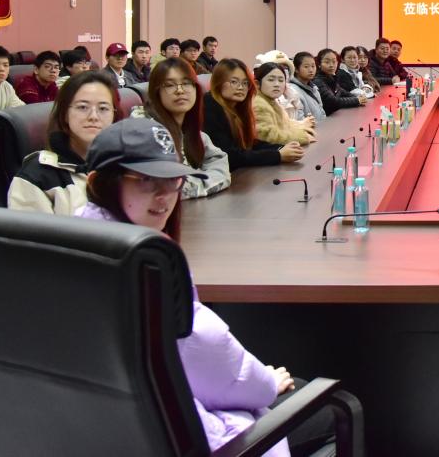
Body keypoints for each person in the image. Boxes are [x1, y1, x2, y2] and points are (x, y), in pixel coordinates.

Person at [75, 119, 336, 457]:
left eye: (172, 181)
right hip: (190, 439)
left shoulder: (71, 242)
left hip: (106, 433)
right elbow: (213, 360)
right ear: (100, 183)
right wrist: (267, 383)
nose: (164, 196)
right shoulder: (147, 265)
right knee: (336, 409)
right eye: (145, 181)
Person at [8, 70, 118, 214]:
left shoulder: (124, 166)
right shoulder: (36, 176)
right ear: (65, 113)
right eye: (82, 107)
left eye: (103, 108)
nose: (94, 116)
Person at [137, 57, 231, 199]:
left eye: (186, 83)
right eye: (170, 85)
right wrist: (208, 182)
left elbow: (219, 161)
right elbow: (172, 187)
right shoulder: (146, 131)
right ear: (156, 92)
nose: (180, 91)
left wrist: (200, 183)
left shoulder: (192, 131)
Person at [203, 58, 303, 170]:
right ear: (218, 82)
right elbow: (229, 155)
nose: (241, 87)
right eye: (234, 82)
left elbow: (251, 143)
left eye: (245, 83)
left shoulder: (237, 107)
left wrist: (281, 148)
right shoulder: (210, 105)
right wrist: (278, 155)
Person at [253, 61, 315, 147]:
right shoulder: (258, 104)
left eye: (281, 80)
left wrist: (302, 125)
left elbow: (285, 124)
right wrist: (302, 137)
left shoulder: (271, 101)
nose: (277, 84)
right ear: (257, 84)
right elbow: (268, 135)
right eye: (271, 80)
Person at [315, 48, 366, 114]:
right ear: (319, 64)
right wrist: (356, 100)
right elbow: (332, 101)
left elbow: (342, 92)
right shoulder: (318, 80)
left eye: (334, 62)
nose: (331, 65)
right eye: (327, 62)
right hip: (327, 118)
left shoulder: (332, 77)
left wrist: (358, 97)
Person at [290, 51, 327, 123]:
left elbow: (322, 112)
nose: (311, 70)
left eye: (313, 66)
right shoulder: (292, 90)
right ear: (296, 69)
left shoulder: (314, 88)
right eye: (306, 66)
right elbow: (299, 120)